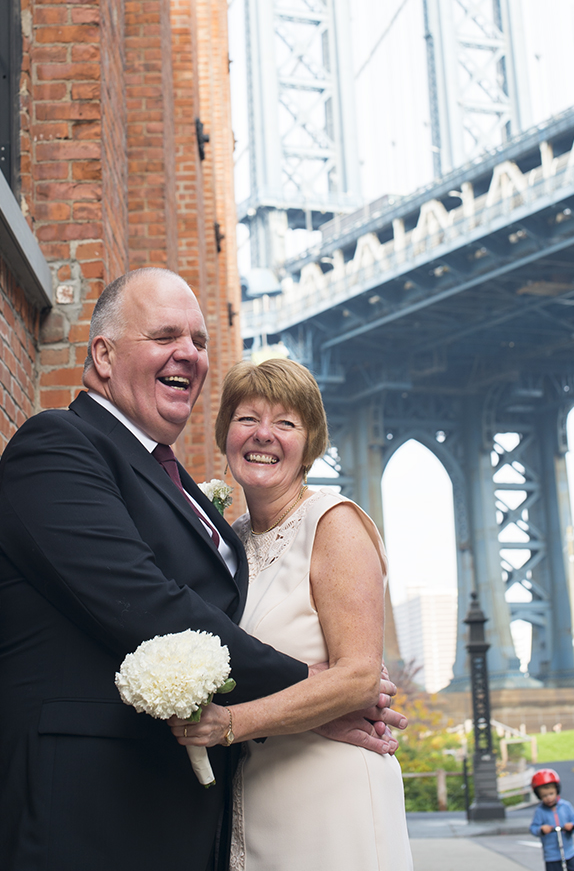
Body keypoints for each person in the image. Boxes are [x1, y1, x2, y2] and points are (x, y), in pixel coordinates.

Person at [0, 269, 402, 871]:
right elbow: (148, 606)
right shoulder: (58, 446)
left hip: (178, 810)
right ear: (103, 355)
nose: (189, 354)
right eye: (165, 335)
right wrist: (314, 693)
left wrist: (315, 701)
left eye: (198, 341)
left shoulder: (182, 486)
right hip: (82, 809)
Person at [170, 358, 414, 871]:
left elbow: (359, 677)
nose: (264, 434)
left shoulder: (334, 523)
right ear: (226, 433)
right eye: (247, 418)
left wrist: (230, 723)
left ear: (311, 442)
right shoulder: (229, 543)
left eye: (285, 422)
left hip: (332, 796)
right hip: (255, 796)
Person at [530, 769, 574, 871]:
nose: (549, 798)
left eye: (551, 794)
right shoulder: (540, 811)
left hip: (569, 852)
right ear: (539, 796)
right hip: (551, 855)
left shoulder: (566, 806)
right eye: (544, 796)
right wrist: (541, 829)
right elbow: (533, 828)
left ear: (557, 791)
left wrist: (571, 826)